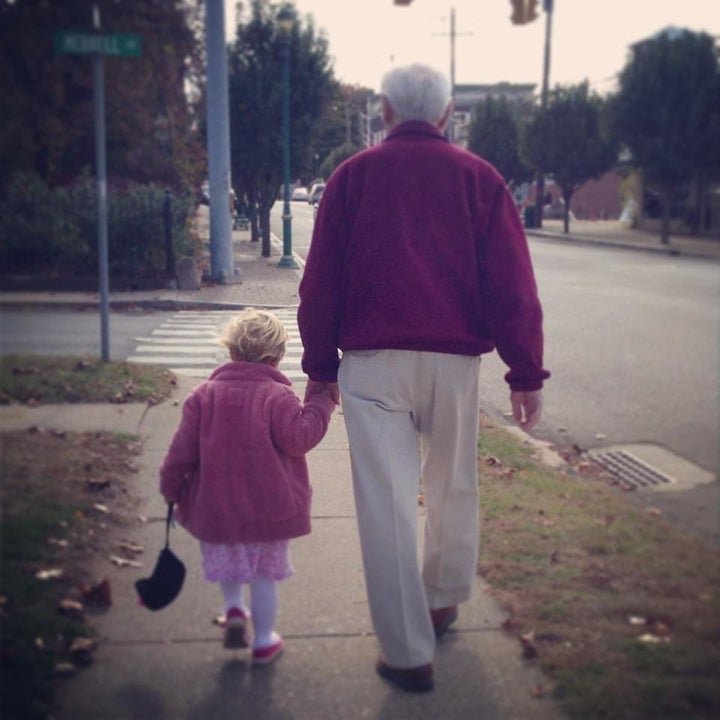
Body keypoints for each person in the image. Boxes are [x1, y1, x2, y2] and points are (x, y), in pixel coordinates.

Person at [297, 63, 550, 692]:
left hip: (373, 363)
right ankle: (442, 599)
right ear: (445, 115)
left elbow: (319, 282)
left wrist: (319, 369)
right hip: (455, 362)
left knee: (385, 506)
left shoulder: (351, 179)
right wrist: (524, 371)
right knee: (452, 485)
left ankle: (407, 653)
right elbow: (512, 282)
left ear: (383, 112)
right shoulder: (480, 180)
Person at [159, 309, 335, 665]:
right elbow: (300, 438)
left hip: (217, 508)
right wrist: (321, 402)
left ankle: (234, 610)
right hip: (270, 509)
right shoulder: (278, 398)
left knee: (231, 566)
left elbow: (181, 452)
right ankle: (264, 640)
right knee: (263, 577)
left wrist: (170, 487)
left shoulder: (202, 396)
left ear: (232, 351)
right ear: (277, 356)